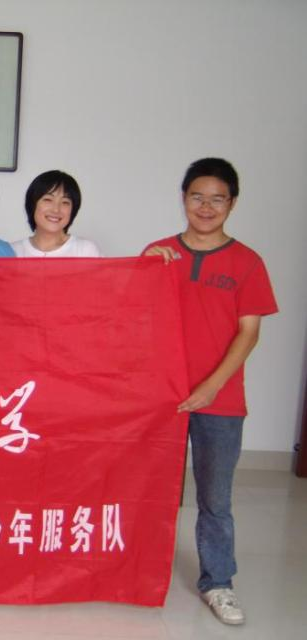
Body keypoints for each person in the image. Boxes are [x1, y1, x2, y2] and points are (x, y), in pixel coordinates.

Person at [144, 158, 277, 626]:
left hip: (220, 400)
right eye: (197, 197)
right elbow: (133, 316)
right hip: (160, 397)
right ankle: (139, 573)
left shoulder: (247, 263)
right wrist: (144, 267)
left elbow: (249, 333)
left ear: (232, 204)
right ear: (183, 199)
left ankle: (218, 582)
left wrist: (210, 386)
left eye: (217, 199)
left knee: (215, 499)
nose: (206, 207)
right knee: (147, 490)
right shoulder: (159, 254)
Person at [12, 170, 102, 257]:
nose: (56, 209)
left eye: (65, 202)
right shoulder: (12, 252)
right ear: (32, 204)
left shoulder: (85, 251)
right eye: (48, 200)